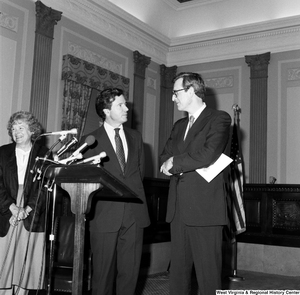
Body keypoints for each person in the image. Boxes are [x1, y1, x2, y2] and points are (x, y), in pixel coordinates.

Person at [160, 72, 232, 295]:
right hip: (178, 208)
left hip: (205, 208)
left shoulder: (219, 118)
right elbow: (165, 156)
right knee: (178, 275)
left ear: (191, 91)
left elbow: (207, 155)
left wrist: (176, 161)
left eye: (176, 93)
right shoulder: (179, 125)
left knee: (208, 276)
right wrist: (172, 161)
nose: (173, 98)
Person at [80, 88, 150, 295]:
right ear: (106, 111)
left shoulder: (136, 137)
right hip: (104, 216)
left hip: (135, 215)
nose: (126, 108)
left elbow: (139, 173)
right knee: (102, 277)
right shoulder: (89, 141)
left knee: (130, 275)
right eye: (120, 105)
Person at [0, 111, 49, 295]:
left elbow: (45, 186)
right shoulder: (2, 152)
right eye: (13, 128)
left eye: (21, 127)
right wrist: (12, 208)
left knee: (25, 263)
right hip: (6, 210)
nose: (16, 131)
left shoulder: (44, 154)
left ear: (32, 131)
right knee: (4, 261)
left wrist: (27, 209)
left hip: (32, 210)